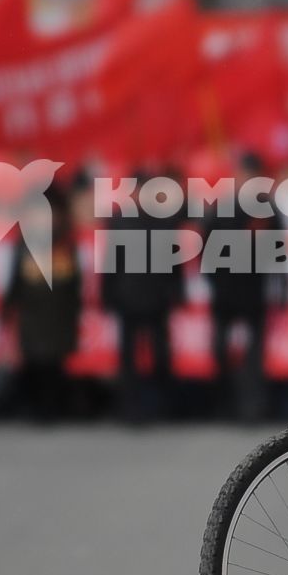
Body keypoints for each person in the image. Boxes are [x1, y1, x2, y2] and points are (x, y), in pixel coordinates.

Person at [102, 167, 185, 424]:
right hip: (128, 297)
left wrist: (176, 291)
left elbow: (174, 260)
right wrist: (107, 293)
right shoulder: (119, 220)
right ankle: (130, 409)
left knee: (161, 356)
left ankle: (162, 407)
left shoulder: (165, 219)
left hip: (158, 298)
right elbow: (111, 261)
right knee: (128, 359)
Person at [202, 152, 277, 422]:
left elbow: (278, 252)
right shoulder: (221, 210)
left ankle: (254, 406)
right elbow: (206, 249)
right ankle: (224, 404)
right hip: (225, 293)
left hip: (254, 293)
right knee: (220, 351)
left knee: (254, 357)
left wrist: (279, 288)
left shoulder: (267, 212)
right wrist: (213, 280)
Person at [0, 190, 83, 422]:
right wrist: (6, 307)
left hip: (58, 314)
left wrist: (76, 311)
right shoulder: (24, 244)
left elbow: (75, 283)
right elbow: (15, 279)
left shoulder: (66, 244)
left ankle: (53, 407)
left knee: (54, 364)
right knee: (33, 362)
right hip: (32, 314)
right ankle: (36, 407)